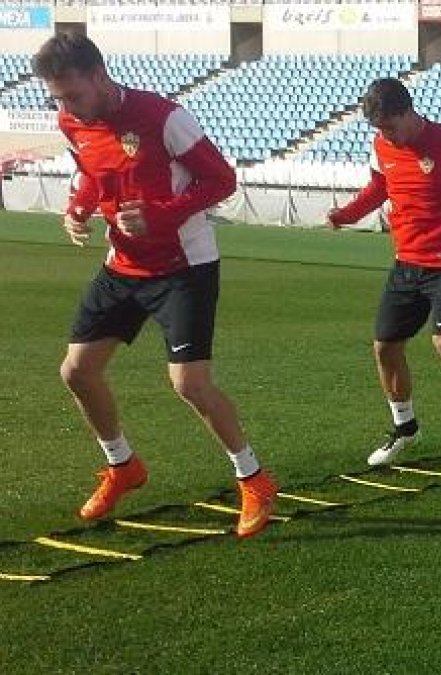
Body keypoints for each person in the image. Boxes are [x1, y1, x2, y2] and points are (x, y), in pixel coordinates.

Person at [37, 32, 277, 538]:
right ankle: (123, 465)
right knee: (77, 371)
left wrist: (161, 215)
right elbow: (92, 173)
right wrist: (78, 207)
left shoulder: (163, 117)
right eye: (57, 98)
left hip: (184, 266)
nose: (67, 108)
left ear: (100, 76)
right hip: (123, 265)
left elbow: (222, 181)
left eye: (72, 95)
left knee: (189, 383)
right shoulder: (71, 122)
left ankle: (254, 478)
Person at [327, 78, 441, 469]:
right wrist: (346, 214)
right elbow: (379, 188)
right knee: (385, 347)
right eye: (379, 129)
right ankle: (405, 428)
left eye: (390, 126)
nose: (386, 135)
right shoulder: (381, 145)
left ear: (408, 113)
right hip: (407, 260)